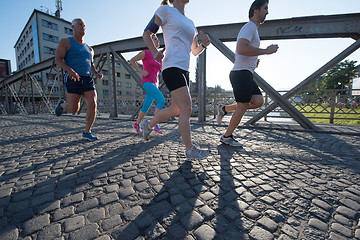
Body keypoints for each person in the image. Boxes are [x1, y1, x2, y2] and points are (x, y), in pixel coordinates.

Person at [140, 0, 211, 160]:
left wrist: (203, 46)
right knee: (187, 107)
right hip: (171, 67)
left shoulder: (191, 23)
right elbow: (146, 33)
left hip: (184, 70)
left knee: (176, 109)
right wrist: (154, 51)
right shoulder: (165, 10)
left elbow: (194, 51)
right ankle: (190, 150)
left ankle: (148, 125)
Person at [217, 0, 278, 146]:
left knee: (258, 102)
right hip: (241, 74)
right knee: (243, 106)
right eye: (265, 8)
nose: (267, 12)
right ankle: (227, 136)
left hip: (246, 72)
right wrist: (265, 51)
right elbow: (241, 49)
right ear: (255, 10)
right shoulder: (249, 27)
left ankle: (224, 109)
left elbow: (242, 53)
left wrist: (253, 62)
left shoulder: (253, 29)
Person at [54, 18, 103, 141]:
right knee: (73, 109)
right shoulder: (66, 42)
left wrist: (96, 73)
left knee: (93, 104)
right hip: (72, 78)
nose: (83, 27)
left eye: (84, 25)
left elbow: (90, 64)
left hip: (87, 79)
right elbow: (58, 60)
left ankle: (87, 132)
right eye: (80, 24)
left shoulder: (90, 49)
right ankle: (62, 105)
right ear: (73, 27)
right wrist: (70, 70)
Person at [129, 34, 166, 134]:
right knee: (161, 100)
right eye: (154, 39)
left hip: (155, 84)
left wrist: (163, 55)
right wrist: (141, 71)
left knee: (146, 106)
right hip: (147, 82)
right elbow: (132, 61)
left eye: (158, 39)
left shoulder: (158, 57)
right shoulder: (145, 53)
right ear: (149, 42)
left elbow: (162, 69)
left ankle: (136, 124)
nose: (157, 40)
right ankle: (155, 124)